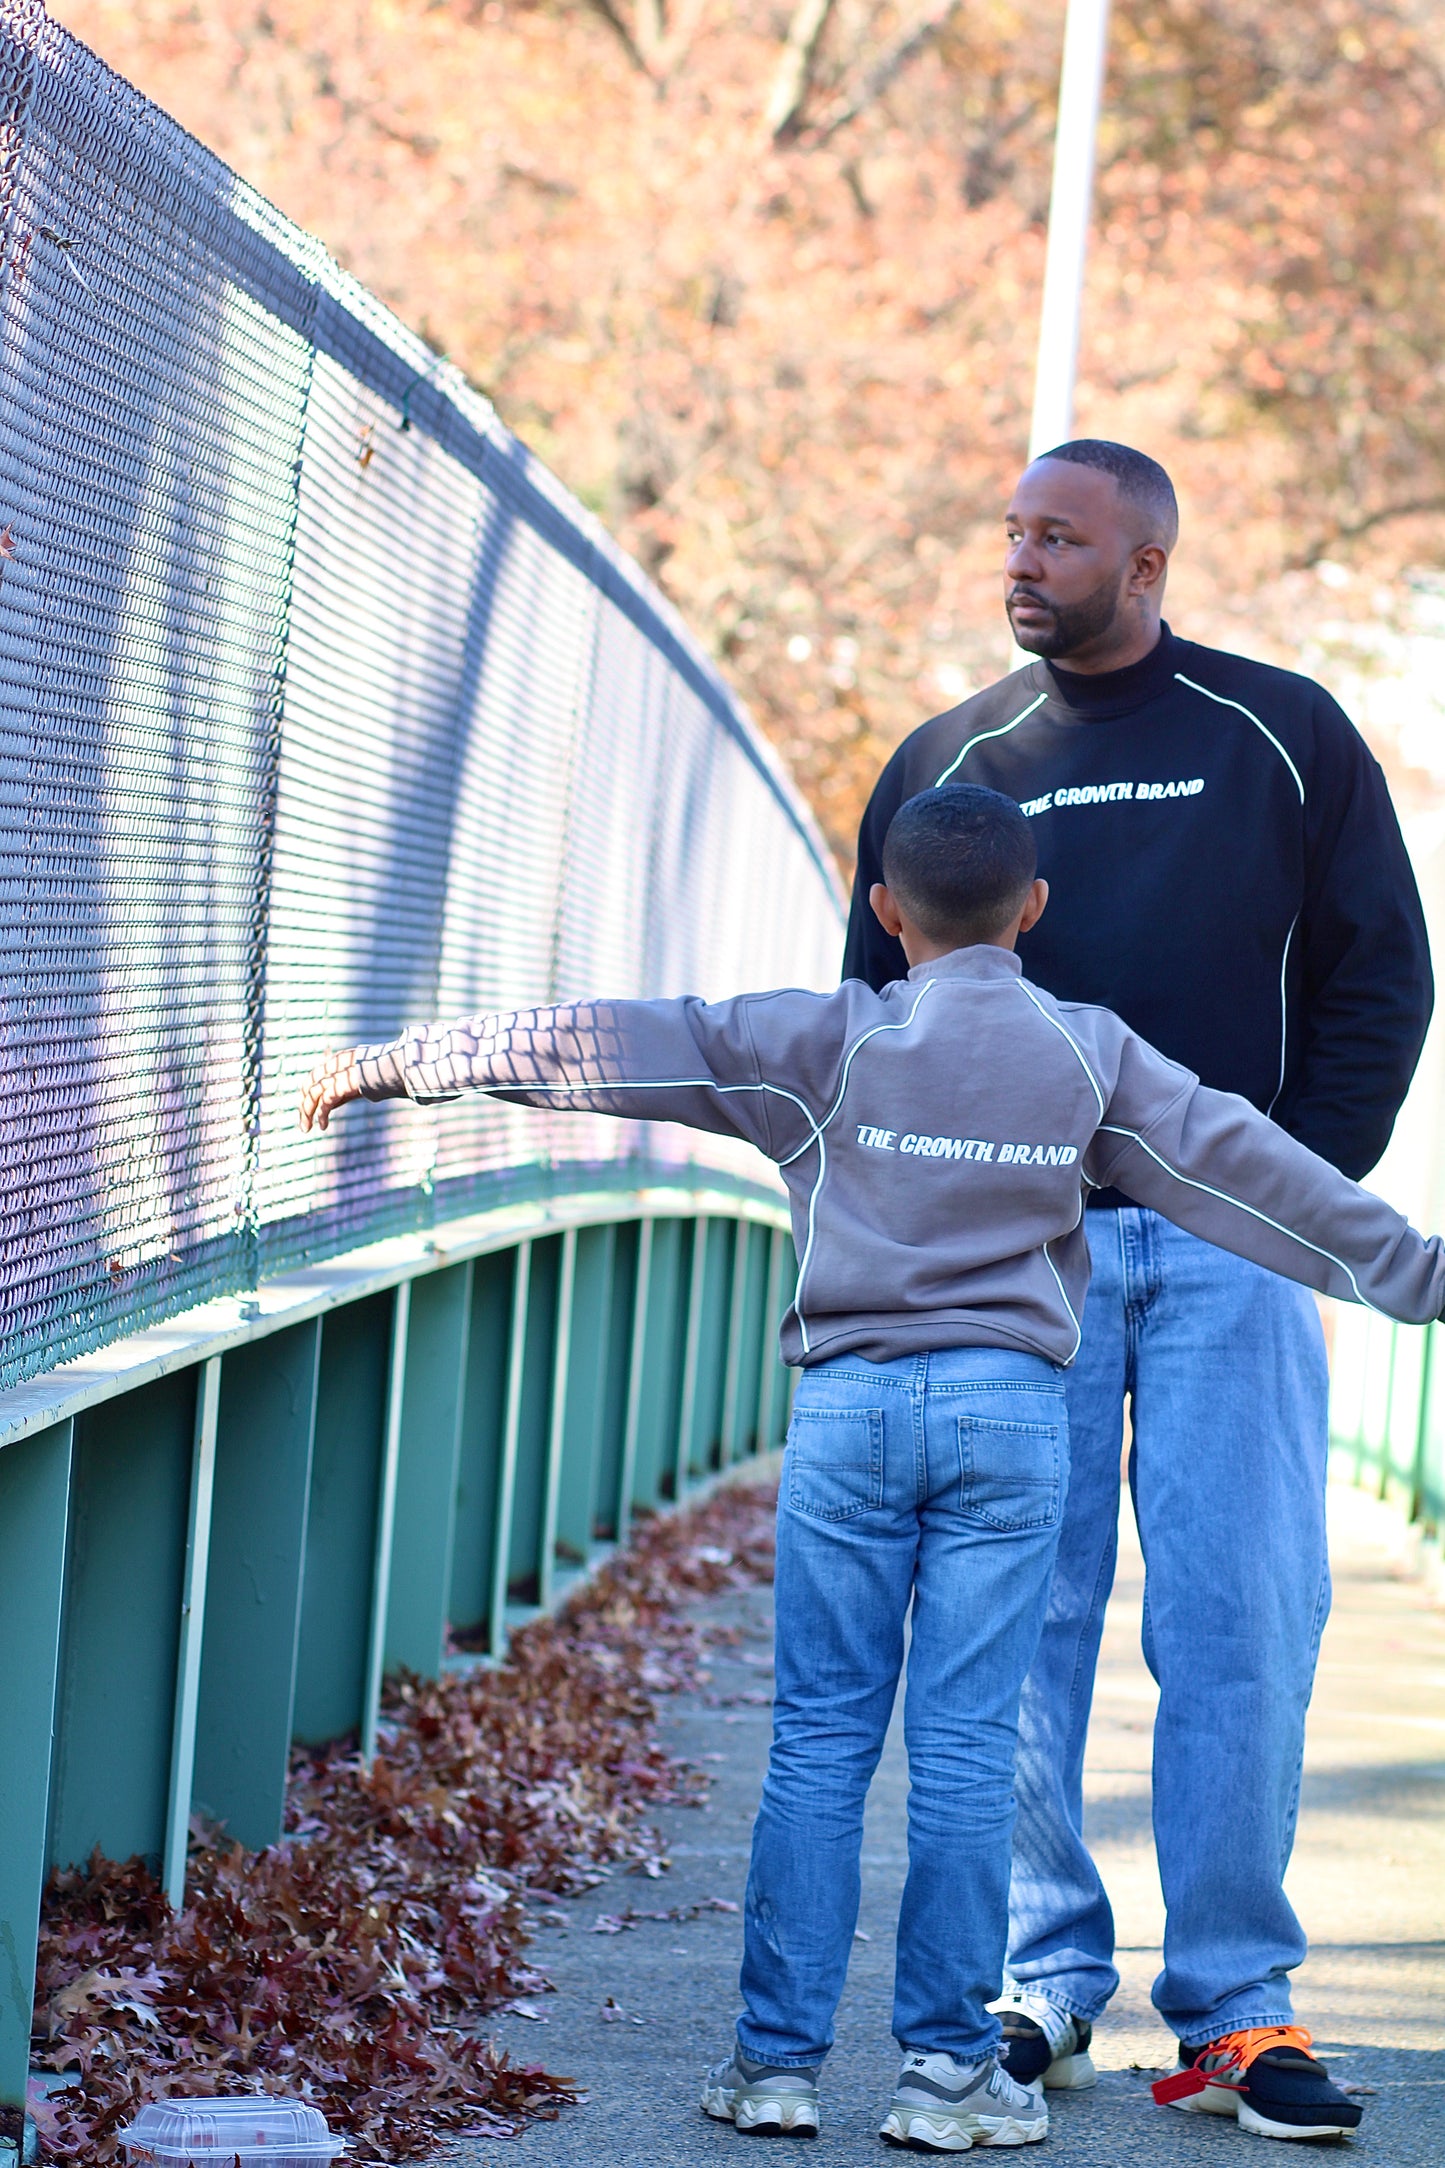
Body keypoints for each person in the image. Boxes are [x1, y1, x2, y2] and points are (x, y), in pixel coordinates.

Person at [303, 784, 1442, 2152]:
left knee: (818, 1742)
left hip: (844, 1419)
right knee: (964, 1750)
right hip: (1008, 1422)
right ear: (1032, 911)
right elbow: (1253, 1172)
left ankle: (774, 2070)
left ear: (884, 912)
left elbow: (611, 1044)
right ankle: (945, 2077)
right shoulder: (1089, 1057)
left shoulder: (817, 1042)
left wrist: (408, 1060)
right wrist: (1417, 1275)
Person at [844, 442, 1433, 2142]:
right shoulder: (947, 761)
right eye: (1013, 533)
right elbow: (869, 1016)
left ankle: (1236, 2009)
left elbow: (1374, 979)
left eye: (1060, 537)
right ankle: (1044, 1984)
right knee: (1015, 1619)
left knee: (1241, 1619)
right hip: (1016, 1258)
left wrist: (1277, 1193)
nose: (1021, 561)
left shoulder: (1279, 735)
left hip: (1230, 1255)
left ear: (1148, 561)